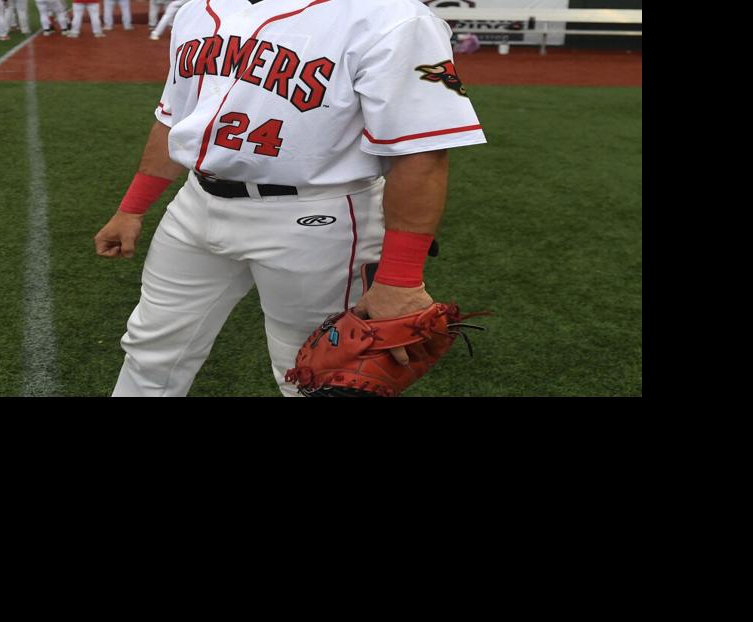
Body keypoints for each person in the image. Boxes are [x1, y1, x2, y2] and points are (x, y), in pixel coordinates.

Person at [93, 0, 486, 396]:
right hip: (194, 204)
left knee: (312, 374)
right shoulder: (198, 8)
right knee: (150, 348)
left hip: (316, 217)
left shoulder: (393, 15)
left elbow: (422, 151)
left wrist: (399, 280)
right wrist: (132, 208)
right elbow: (175, 117)